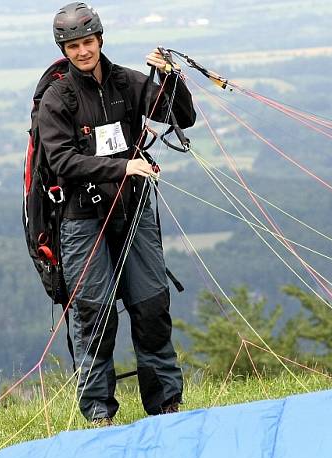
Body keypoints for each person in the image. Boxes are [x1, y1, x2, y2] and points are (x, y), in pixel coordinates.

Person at [38, 2, 196, 424]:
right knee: (94, 313)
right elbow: (62, 162)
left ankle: (166, 405)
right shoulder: (58, 99)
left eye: (87, 42)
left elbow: (183, 117)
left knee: (150, 305)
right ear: (64, 49)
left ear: (100, 40)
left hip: (132, 209)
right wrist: (122, 166)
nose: (82, 51)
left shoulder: (127, 82)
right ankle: (98, 413)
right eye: (73, 45)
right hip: (81, 218)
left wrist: (169, 77)